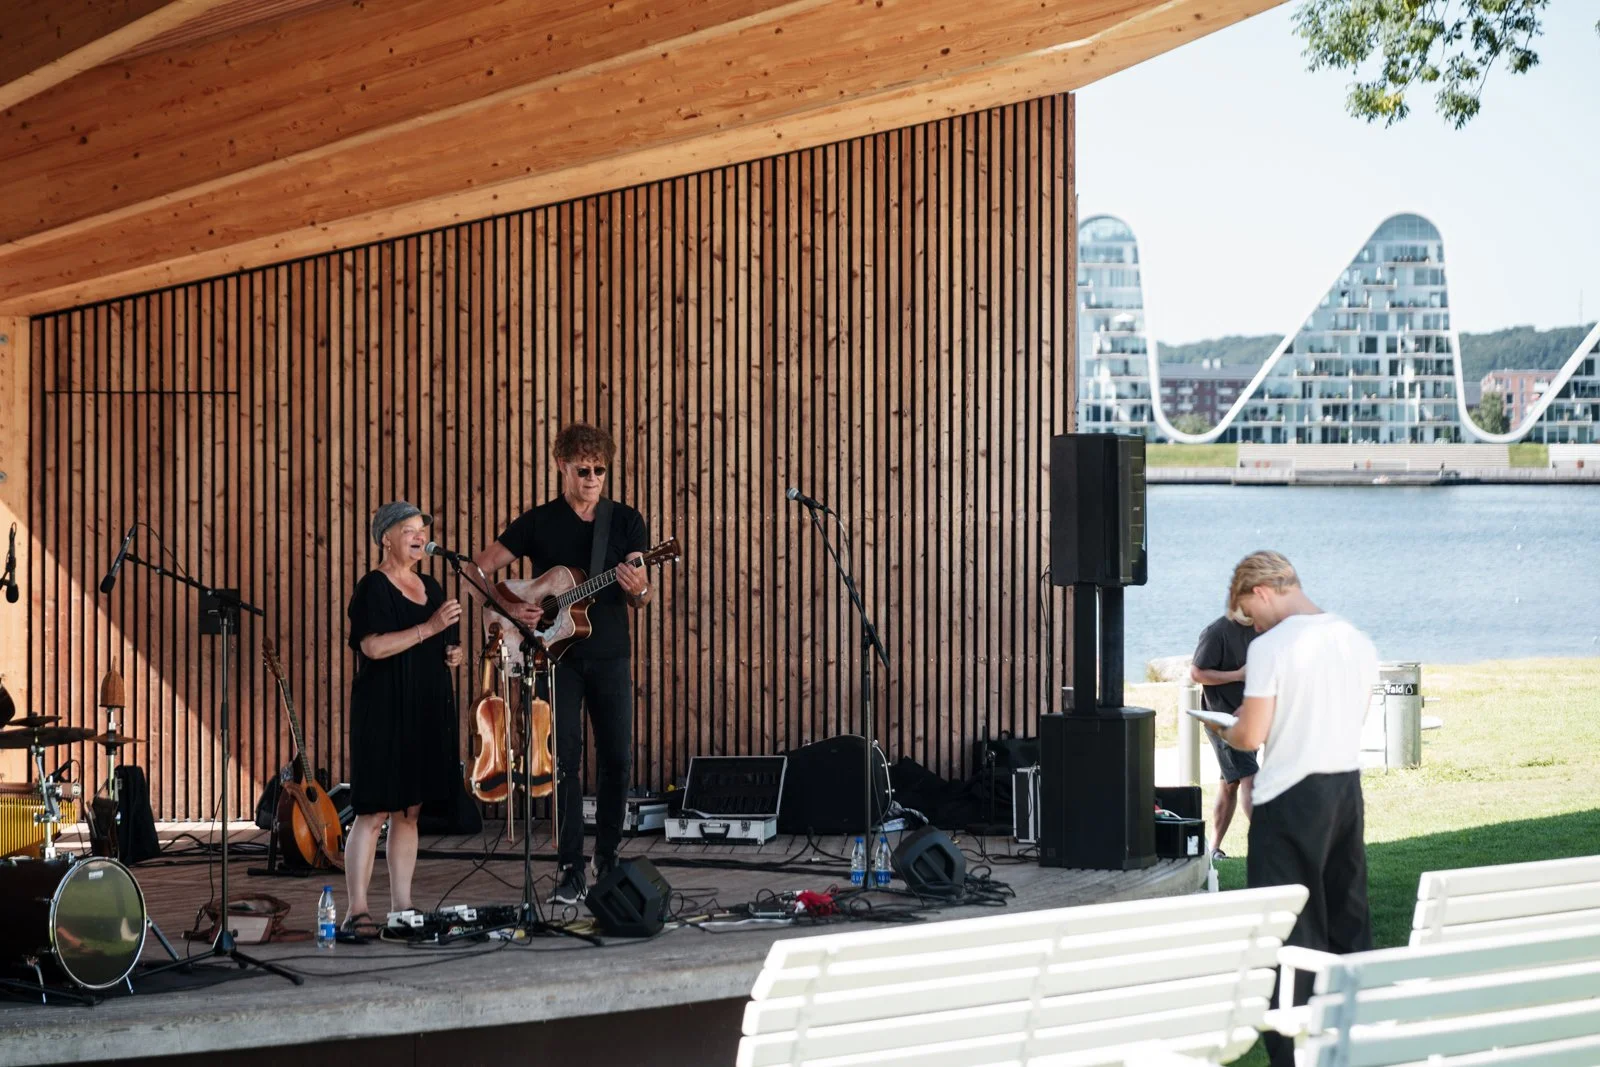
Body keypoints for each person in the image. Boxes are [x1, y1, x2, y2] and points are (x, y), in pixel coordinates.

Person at [1210, 550, 1379, 1067]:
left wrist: (1228, 725)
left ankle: (1291, 1056)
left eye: (1247, 614)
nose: (1250, 625)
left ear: (1260, 592)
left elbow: (1253, 734)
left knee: (1286, 933)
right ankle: (1350, 1046)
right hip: (1345, 793)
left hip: (1288, 800)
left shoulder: (1272, 646)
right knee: (1347, 923)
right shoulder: (1354, 638)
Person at [471, 424, 651, 906]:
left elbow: (640, 585)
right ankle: (570, 867)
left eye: (600, 471)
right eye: (583, 470)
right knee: (565, 763)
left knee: (618, 760)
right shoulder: (538, 522)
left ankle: (607, 856)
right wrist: (508, 607)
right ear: (561, 467)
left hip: (611, 654)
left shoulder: (626, 521)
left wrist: (640, 589)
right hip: (555, 659)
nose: (593, 479)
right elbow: (475, 568)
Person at [343, 501, 464, 933]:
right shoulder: (372, 587)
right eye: (408, 529)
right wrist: (429, 630)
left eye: (422, 528)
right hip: (383, 711)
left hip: (424, 709)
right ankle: (357, 910)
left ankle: (402, 907)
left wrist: (452, 652)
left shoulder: (430, 585)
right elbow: (372, 647)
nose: (419, 535)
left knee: (409, 812)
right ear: (386, 538)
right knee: (373, 812)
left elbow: (440, 640)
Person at [1189, 612, 1260, 859]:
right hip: (1222, 721)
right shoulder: (1216, 631)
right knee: (1252, 778)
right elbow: (1197, 673)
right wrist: (1238, 675)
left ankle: (1213, 849)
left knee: (1230, 784)